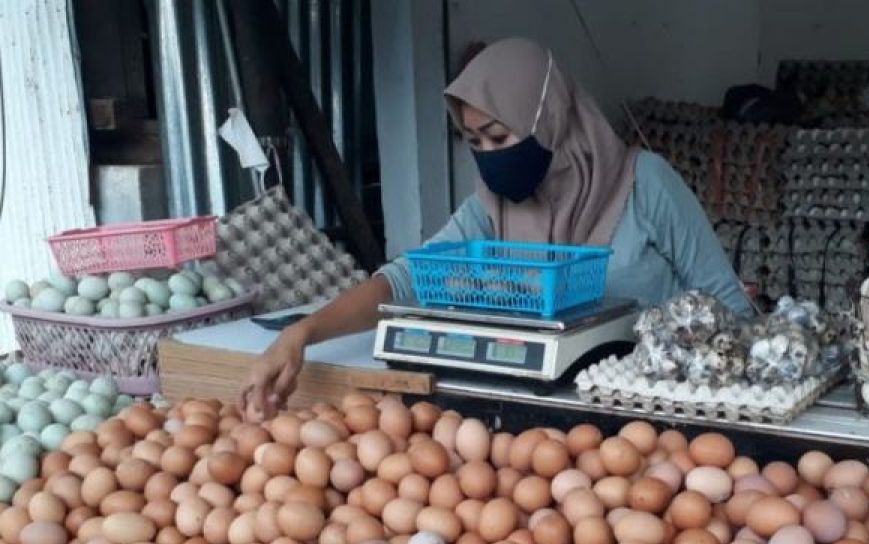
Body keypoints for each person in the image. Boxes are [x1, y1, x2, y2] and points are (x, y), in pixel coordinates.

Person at [241, 37, 753, 421]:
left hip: (657, 412)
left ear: (547, 116)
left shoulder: (646, 183)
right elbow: (406, 279)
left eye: (498, 135)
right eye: (474, 141)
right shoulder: (491, 206)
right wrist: (301, 334)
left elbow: (729, 303)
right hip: (540, 422)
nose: (488, 156)